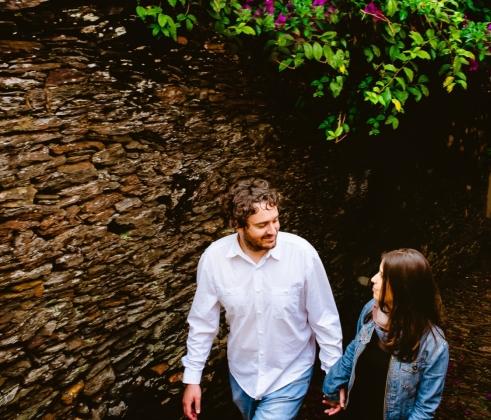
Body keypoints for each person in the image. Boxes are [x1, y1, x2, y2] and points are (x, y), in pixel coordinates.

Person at [181, 178, 342, 420]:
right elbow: (203, 324)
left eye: (275, 220)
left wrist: (333, 376)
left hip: (290, 373)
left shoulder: (302, 254)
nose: (273, 230)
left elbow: (324, 319)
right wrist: (192, 379)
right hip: (242, 376)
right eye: (262, 225)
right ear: (238, 225)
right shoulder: (214, 259)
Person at [322, 249, 449, 420]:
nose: (373, 279)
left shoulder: (434, 345)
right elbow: (353, 352)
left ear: (402, 287)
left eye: (382, 275)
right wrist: (333, 390)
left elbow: (424, 409)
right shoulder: (370, 309)